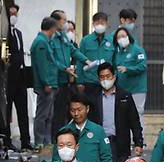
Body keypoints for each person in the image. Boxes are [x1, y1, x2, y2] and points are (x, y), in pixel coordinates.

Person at [89, 62, 143, 162]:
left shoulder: (124, 96)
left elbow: (134, 121)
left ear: (114, 76)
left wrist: (138, 143)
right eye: (102, 77)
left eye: (108, 76)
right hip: (99, 143)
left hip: (119, 144)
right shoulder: (93, 97)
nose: (105, 80)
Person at [53, 93, 116, 162]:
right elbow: (55, 158)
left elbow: (106, 156)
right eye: (72, 110)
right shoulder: (64, 132)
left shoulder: (98, 130)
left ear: (87, 109)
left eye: (79, 109)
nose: (76, 114)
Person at [50, 10, 89, 138]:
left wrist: (87, 60)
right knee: (54, 113)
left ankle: (62, 136)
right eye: (64, 20)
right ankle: (53, 139)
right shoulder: (51, 38)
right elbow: (51, 60)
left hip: (65, 80)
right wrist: (64, 68)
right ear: (56, 21)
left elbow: (73, 51)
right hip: (55, 80)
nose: (66, 23)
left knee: (62, 112)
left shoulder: (64, 36)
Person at [4, 4, 33, 152]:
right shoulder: (5, 32)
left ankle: (26, 141)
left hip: (21, 78)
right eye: (11, 14)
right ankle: (6, 140)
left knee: (23, 112)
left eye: (15, 14)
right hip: (9, 78)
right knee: (7, 111)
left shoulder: (19, 33)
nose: (13, 17)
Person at [77, 12, 116, 109]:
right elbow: (79, 61)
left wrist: (114, 79)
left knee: (105, 109)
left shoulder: (111, 41)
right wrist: (80, 82)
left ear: (106, 24)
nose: (100, 25)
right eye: (97, 23)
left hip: (106, 82)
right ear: (93, 24)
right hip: (89, 81)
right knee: (90, 109)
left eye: (102, 23)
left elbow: (115, 62)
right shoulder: (86, 40)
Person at [31, 17, 59, 149]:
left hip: (51, 83)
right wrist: (46, 83)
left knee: (50, 114)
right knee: (42, 114)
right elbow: (42, 66)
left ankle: (47, 140)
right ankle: (39, 141)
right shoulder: (41, 42)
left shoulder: (46, 42)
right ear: (52, 28)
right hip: (46, 85)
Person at [113, 27, 147, 132]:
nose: (121, 39)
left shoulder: (137, 50)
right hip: (123, 89)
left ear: (128, 36)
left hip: (137, 89)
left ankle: (139, 141)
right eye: (118, 37)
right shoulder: (118, 54)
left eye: (123, 36)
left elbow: (142, 66)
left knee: (137, 113)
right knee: (124, 115)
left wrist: (128, 69)